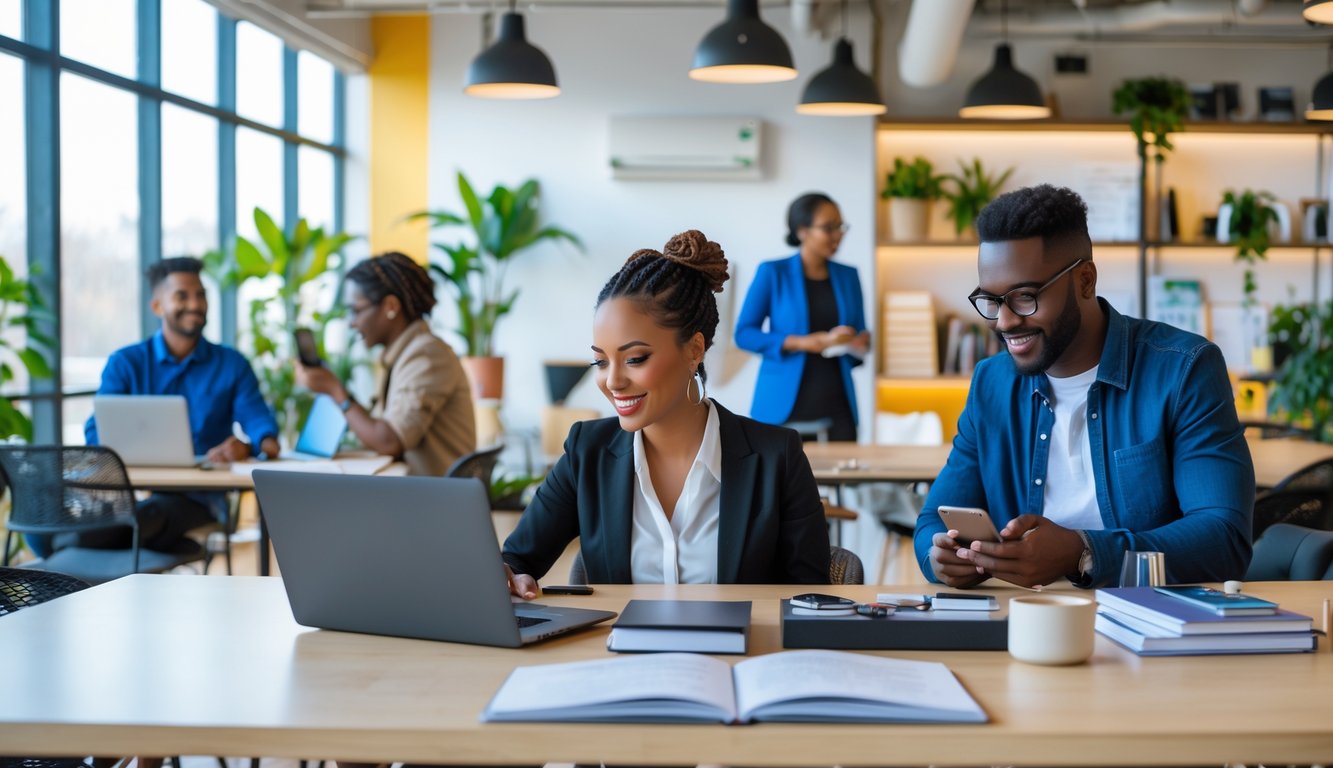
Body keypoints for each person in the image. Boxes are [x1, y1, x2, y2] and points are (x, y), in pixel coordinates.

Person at [914, 184, 1254, 589]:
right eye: (991, 300)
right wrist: (940, 557)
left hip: (1150, 626)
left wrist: (1084, 552)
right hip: (1024, 622)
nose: (1004, 322)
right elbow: (932, 520)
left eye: (1024, 297)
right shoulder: (992, 383)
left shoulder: (1183, 370)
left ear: (1085, 281)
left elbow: (1224, 538)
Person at [502, 230, 831, 595]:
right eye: (600, 360)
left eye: (635, 359)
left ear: (694, 350)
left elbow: (811, 599)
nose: (612, 381)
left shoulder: (777, 456)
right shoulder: (586, 451)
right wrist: (508, 577)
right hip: (617, 653)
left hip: (740, 652)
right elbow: (517, 560)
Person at [76, 256, 280, 554]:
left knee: (137, 521)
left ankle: (83, 546)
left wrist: (251, 446)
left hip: (201, 498)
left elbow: (260, 425)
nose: (195, 305)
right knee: (108, 521)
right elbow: (96, 433)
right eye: (182, 296)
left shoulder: (231, 364)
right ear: (157, 306)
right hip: (132, 493)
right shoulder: (126, 363)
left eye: (201, 295)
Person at [297, 251, 476, 476]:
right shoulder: (403, 356)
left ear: (391, 306)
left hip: (434, 503)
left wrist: (336, 391)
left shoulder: (427, 355)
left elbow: (389, 440)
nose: (352, 323)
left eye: (356, 310)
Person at [734, 192, 870, 442]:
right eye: (829, 228)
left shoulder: (849, 276)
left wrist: (855, 342)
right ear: (802, 231)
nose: (838, 235)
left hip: (838, 404)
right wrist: (803, 342)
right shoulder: (773, 272)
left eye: (840, 227)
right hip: (783, 404)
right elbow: (744, 334)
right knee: (781, 479)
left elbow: (861, 335)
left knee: (846, 477)